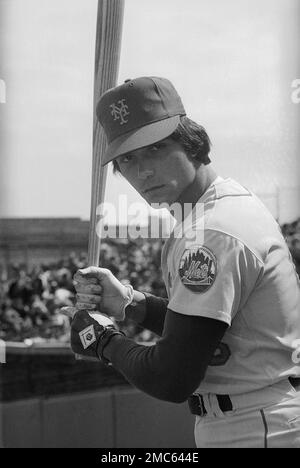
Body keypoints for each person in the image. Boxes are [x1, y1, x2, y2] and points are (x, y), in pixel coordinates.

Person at [63, 76, 300, 448]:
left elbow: (170, 378)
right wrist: (129, 303)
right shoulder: (220, 207)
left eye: (155, 148)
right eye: (127, 158)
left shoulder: (213, 232)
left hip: (258, 425)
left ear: (194, 143)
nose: (141, 171)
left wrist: (100, 339)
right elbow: (208, 332)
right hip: (258, 415)